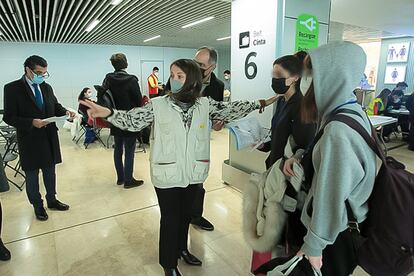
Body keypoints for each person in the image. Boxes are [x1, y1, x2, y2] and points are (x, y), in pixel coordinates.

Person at [80, 59, 277, 276]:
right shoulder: (158, 105)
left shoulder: (206, 105)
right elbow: (132, 120)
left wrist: (261, 103)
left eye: (179, 76)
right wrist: (107, 113)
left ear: (192, 80)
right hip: (167, 173)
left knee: (185, 215)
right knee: (170, 218)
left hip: (194, 172)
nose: (173, 80)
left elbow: (231, 109)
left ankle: (182, 249)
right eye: (172, 75)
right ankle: (169, 264)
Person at [284, 42, 376, 275]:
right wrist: (300, 157)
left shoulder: (338, 130)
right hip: (338, 229)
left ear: (333, 76)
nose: (306, 80)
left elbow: (331, 195)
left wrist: (313, 247)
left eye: (312, 73)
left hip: (333, 237)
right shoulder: (349, 110)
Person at [3, 55, 74, 221]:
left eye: (44, 73)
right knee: (32, 177)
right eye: (39, 73)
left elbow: (55, 107)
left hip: (48, 137)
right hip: (29, 139)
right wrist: (31, 122)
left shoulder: (46, 87)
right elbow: (9, 116)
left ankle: (52, 200)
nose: (42, 76)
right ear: (28, 70)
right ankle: (38, 205)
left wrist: (66, 113)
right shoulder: (12, 88)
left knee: (50, 173)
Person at [165, 47, 225, 231]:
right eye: (195, 62)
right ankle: (176, 216)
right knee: (177, 181)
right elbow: (166, 101)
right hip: (176, 138)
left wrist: (218, 121)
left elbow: (217, 111)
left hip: (199, 139)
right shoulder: (180, 77)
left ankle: (195, 216)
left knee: (197, 181)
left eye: (201, 65)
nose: (195, 67)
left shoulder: (218, 86)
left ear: (212, 67)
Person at [259, 54, 316, 169]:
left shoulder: (301, 107)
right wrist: (264, 145)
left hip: (287, 172)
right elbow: (280, 136)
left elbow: (305, 146)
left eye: (279, 75)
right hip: (273, 166)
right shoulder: (281, 101)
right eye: (274, 75)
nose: (275, 79)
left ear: (295, 77)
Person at [102, 53, 143, 189]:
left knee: (118, 148)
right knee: (129, 150)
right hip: (129, 120)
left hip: (114, 118)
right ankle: (129, 180)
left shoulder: (108, 78)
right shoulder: (131, 80)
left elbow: (103, 96)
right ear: (126, 63)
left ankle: (120, 178)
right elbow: (138, 101)